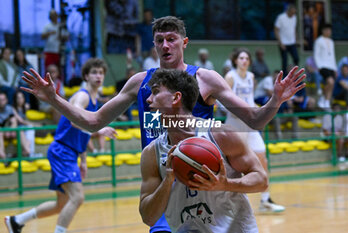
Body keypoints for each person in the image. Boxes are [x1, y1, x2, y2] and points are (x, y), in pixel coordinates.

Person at [21, 16, 305, 233]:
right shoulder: (140, 82)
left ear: (184, 43)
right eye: (159, 40)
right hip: (164, 183)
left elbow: (255, 119)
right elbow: (93, 122)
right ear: (154, 44)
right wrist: (54, 98)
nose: (165, 45)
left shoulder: (206, 78)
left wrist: (276, 100)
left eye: (171, 38)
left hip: (206, 184)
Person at [139, 68, 267, 232]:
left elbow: (261, 181)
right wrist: (167, 181)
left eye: (155, 92)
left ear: (176, 97)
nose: (148, 100)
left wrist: (225, 184)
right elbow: (148, 217)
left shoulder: (221, 135)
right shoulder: (152, 153)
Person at [5, 58, 116, 233]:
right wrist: (100, 130)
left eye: (101, 73)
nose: (98, 76)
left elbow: (82, 132)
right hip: (63, 151)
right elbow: (76, 121)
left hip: (69, 152)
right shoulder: (83, 96)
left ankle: (16, 221)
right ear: (86, 76)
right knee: (77, 197)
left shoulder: (94, 100)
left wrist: (84, 160)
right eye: (94, 72)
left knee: (61, 204)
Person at [224, 48, 285, 213]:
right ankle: (229, 204)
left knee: (262, 156)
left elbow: (249, 99)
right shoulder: (230, 77)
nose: (244, 60)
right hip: (235, 124)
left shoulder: (251, 77)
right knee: (233, 167)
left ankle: (265, 200)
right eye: (241, 58)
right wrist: (240, 110)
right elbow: (222, 102)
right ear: (236, 60)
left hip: (249, 125)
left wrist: (258, 111)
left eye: (246, 58)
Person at [314, 23, 337, 110]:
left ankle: (326, 101)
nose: (328, 32)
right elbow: (316, 54)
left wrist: (335, 68)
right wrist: (319, 66)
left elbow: (332, 55)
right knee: (330, 82)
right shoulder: (319, 41)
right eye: (326, 30)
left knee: (332, 84)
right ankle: (323, 99)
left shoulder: (331, 42)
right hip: (323, 65)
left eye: (329, 30)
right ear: (323, 31)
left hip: (331, 66)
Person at [274, 3, 299, 75]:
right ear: (288, 11)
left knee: (296, 58)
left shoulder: (294, 18)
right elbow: (276, 30)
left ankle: (292, 72)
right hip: (283, 43)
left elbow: (294, 29)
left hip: (292, 42)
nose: (293, 14)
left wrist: (296, 39)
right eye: (292, 13)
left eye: (294, 13)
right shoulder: (281, 17)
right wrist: (280, 43)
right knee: (284, 61)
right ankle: (284, 76)